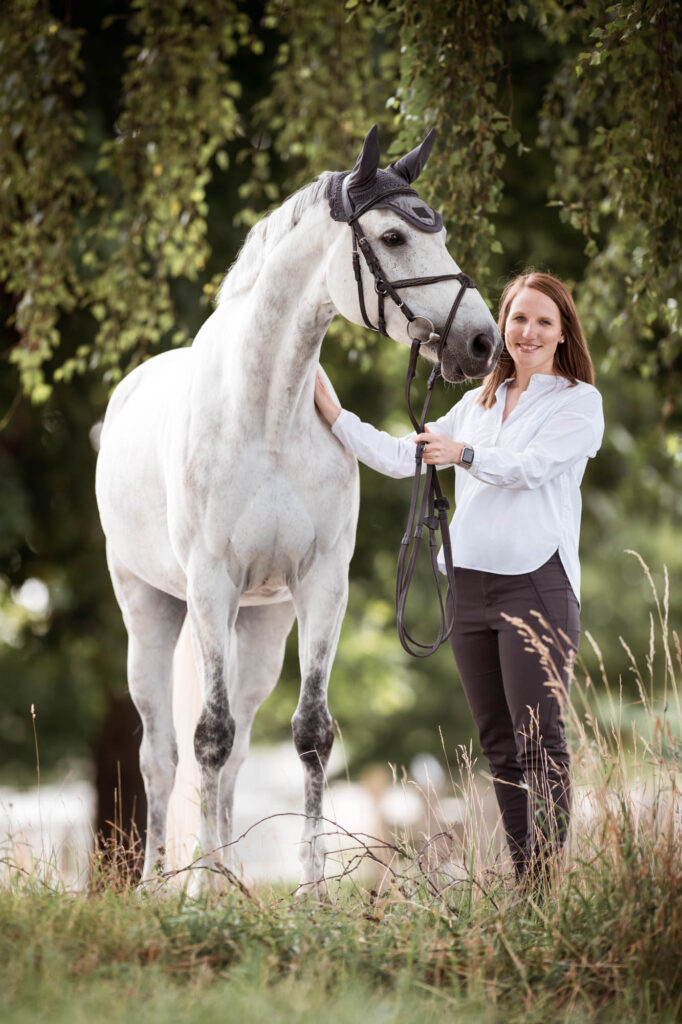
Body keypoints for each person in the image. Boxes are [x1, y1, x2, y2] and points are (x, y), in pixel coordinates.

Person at [314, 271, 604, 887]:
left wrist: (465, 455)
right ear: (503, 324)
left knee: (539, 742)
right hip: (471, 590)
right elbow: (402, 457)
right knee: (499, 745)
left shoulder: (579, 403)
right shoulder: (477, 404)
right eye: (517, 318)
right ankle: (527, 883)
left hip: (537, 586)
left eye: (542, 321)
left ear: (562, 333)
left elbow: (531, 469)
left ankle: (545, 891)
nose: (527, 331)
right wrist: (336, 415)